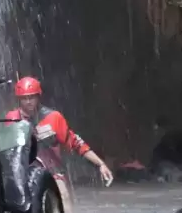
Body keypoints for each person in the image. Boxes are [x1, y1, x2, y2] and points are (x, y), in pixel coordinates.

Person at [12, 77, 115, 205]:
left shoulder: (53, 118)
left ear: (38, 97)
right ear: (18, 99)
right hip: (23, 175)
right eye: (24, 98)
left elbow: (76, 143)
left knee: (63, 205)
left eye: (31, 97)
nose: (28, 102)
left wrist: (100, 164)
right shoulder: (11, 119)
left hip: (52, 173)